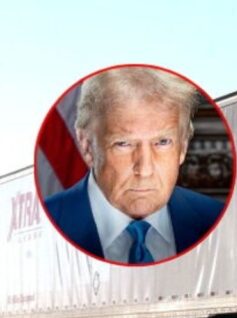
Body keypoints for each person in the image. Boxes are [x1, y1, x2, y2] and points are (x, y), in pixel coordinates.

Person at [44, 67, 224, 264]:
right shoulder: (50, 222)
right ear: (87, 146)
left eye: (162, 142)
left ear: (183, 147)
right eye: (124, 144)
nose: (145, 169)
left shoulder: (212, 218)